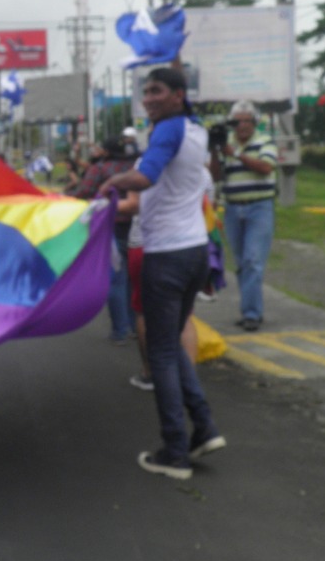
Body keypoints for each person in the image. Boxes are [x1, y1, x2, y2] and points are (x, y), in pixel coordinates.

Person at [100, 67, 226, 482]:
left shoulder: (169, 129)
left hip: (166, 255)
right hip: (194, 252)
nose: (149, 99)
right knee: (170, 342)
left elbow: (145, 177)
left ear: (178, 94)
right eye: (146, 92)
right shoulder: (196, 129)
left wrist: (111, 181)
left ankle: (174, 452)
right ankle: (203, 428)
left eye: (157, 91)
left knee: (161, 354)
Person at [209, 100, 277, 332]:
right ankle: (250, 309)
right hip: (232, 208)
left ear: (255, 123)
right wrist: (214, 151)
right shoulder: (226, 143)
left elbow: (266, 168)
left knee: (252, 261)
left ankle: (251, 314)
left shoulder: (264, 141)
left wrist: (236, 154)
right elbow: (215, 176)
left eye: (247, 121)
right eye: (237, 122)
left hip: (259, 207)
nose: (242, 126)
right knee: (241, 263)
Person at [69, 135, 135, 345]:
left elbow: (83, 191)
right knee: (133, 280)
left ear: (105, 152)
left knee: (116, 279)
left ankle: (120, 331)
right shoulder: (136, 166)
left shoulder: (99, 169)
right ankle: (135, 327)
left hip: (110, 227)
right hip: (139, 229)